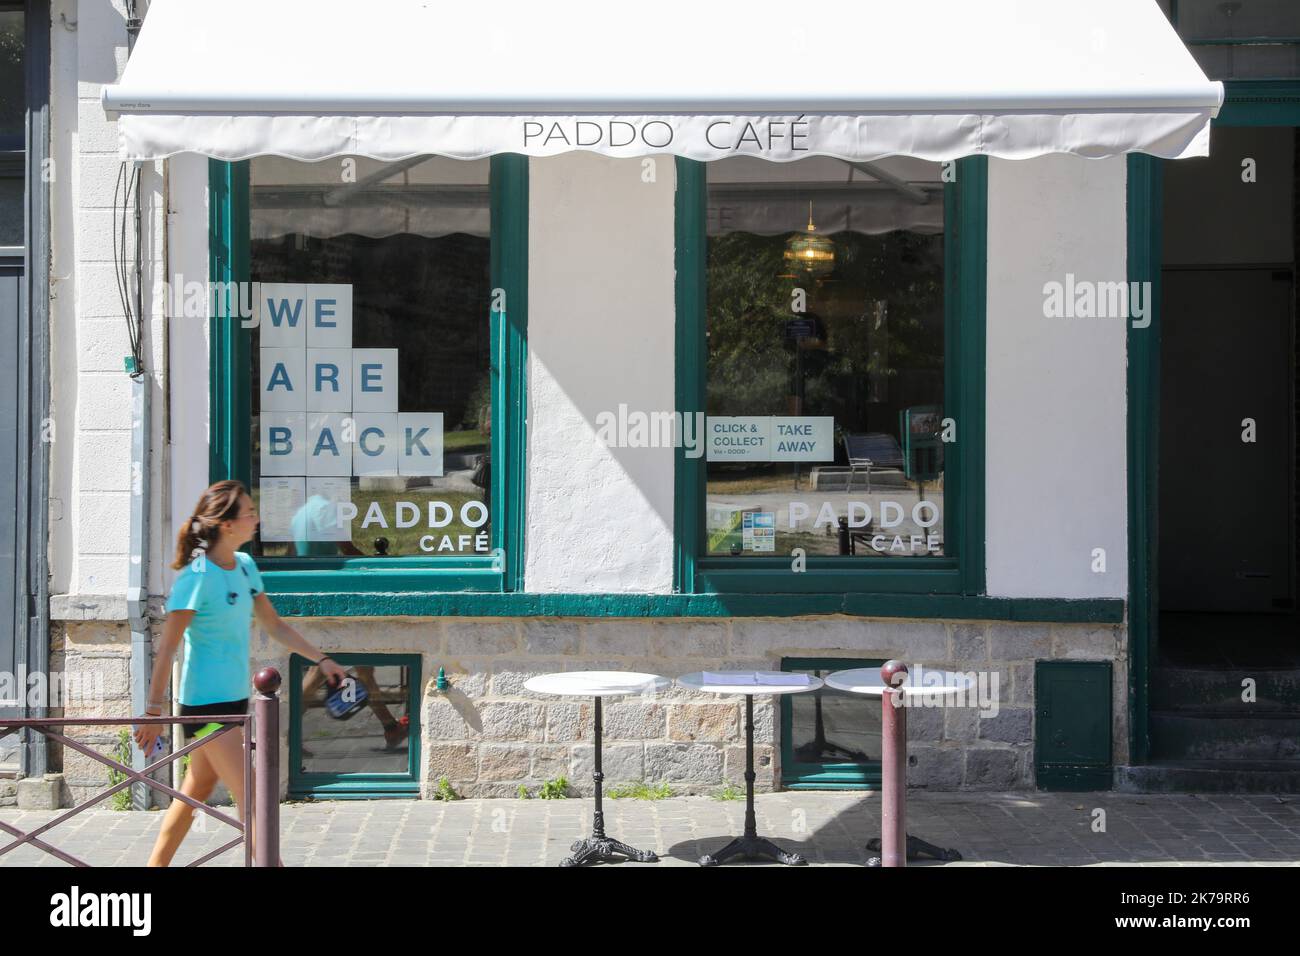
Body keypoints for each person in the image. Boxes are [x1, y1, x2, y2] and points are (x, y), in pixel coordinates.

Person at [133, 479, 347, 867]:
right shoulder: (196, 577)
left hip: (235, 702)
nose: (256, 518)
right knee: (252, 800)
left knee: (194, 791)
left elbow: (274, 625)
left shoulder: (246, 566)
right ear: (227, 524)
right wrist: (152, 712)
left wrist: (322, 658)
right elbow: (167, 647)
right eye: (249, 512)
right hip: (205, 709)